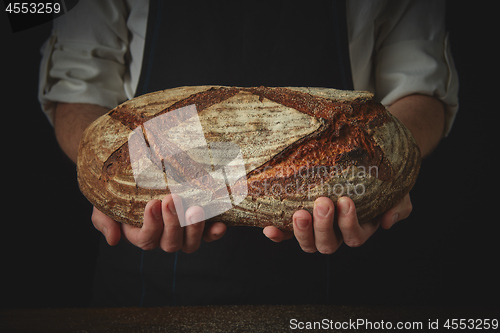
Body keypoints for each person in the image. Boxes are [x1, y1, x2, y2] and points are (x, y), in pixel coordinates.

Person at [39, 0, 458, 306]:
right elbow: (77, 87)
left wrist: (398, 168)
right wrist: (111, 185)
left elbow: (422, 86)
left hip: (342, 280)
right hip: (149, 288)